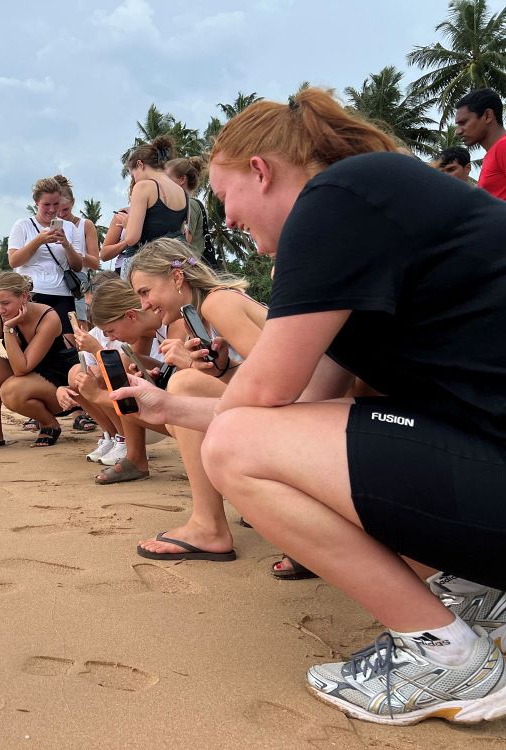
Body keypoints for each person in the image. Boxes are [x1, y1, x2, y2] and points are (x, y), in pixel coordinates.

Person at [112, 88, 506, 725]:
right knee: (242, 438)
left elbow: (259, 407)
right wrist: (170, 408)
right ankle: (483, 593)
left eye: (225, 199)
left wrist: (201, 417)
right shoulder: (373, 208)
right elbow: (296, 412)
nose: (231, 223)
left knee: (232, 449)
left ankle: (446, 656)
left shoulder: (335, 197)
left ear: (260, 171)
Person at [122, 239, 267, 558]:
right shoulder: (197, 317)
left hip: (308, 414)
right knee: (177, 394)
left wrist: (192, 369)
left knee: (186, 387)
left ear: (177, 278)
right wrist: (219, 369)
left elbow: (276, 379)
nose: (144, 304)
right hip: (299, 410)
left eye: (145, 292)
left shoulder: (219, 303)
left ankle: (209, 525)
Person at [56, 276, 168, 483]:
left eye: (111, 332)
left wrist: (97, 395)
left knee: (122, 365)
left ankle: (132, 452)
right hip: (156, 413)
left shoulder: (172, 322)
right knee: (123, 366)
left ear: (131, 316)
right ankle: (134, 456)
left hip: (177, 414)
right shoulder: (145, 330)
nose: (111, 338)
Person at [0, 272, 78, 449]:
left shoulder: (48, 317)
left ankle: (49, 424)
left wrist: (8, 330)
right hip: (28, 378)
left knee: (10, 390)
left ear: (24, 297)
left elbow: (21, 368)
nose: (1, 310)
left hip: (59, 386)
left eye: (5, 303)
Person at [7, 177, 84, 335]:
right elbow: (14, 261)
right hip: (32, 293)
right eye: (46, 205)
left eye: (56, 204)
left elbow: (77, 266)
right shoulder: (23, 225)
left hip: (62, 294)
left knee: (67, 344)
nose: (51, 209)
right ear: (36, 203)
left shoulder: (69, 228)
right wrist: (38, 241)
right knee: (32, 342)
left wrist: (66, 244)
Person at [55, 174, 99, 431]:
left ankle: (84, 406)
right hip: (53, 287)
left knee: (78, 340)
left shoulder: (85, 225)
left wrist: (71, 250)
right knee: (56, 342)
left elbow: (95, 260)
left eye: (66, 209)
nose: (61, 214)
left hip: (77, 285)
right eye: (56, 209)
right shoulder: (45, 226)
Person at [120, 135, 189, 278]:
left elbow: (132, 238)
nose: (135, 180)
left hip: (144, 266)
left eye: (133, 175)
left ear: (140, 164)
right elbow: (182, 232)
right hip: (172, 265)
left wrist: (127, 223)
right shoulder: (182, 192)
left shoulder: (143, 187)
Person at [166, 156, 218, 267]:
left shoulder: (190, 205)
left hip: (187, 268)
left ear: (182, 180)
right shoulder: (190, 204)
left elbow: (184, 243)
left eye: (168, 179)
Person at [455, 88, 506, 199]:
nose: (458, 131)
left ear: (488, 116)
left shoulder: (503, 146)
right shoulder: (493, 153)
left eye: (463, 123)